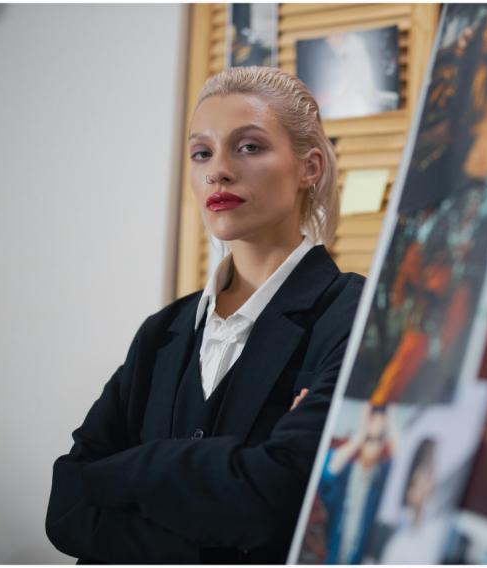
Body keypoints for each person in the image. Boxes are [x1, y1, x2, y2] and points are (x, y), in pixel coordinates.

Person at [45, 66, 365, 563]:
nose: (218, 170)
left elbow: (275, 501)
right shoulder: (161, 332)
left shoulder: (355, 315)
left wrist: (124, 472)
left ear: (310, 168)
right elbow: (64, 510)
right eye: (202, 153)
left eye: (249, 146)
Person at [317, 403, 395, 563]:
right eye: (368, 438)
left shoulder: (382, 476)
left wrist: (391, 423)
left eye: (379, 438)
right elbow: (326, 472)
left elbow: (403, 466)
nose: (373, 446)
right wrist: (359, 437)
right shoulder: (345, 472)